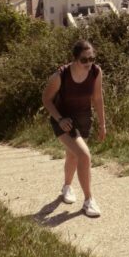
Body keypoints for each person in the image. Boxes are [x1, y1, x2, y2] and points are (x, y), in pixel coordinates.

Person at [41, 39, 105, 217]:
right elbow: (46, 99)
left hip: (84, 119)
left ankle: (66, 188)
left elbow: (98, 99)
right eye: (84, 60)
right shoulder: (60, 76)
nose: (88, 63)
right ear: (75, 59)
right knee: (84, 155)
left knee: (73, 155)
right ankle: (88, 201)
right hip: (63, 120)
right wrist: (59, 119)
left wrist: (103, 124)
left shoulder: (96, 71)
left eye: (91, 58)